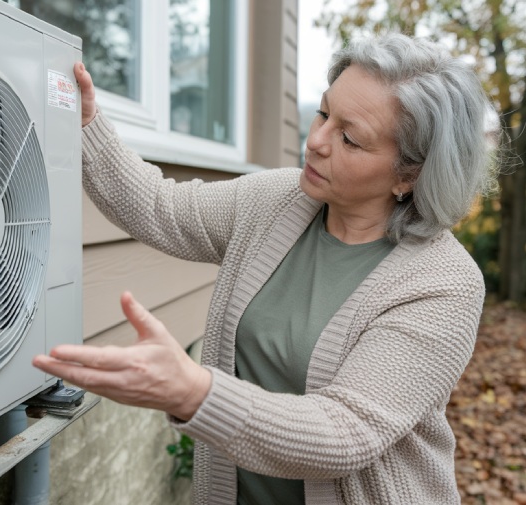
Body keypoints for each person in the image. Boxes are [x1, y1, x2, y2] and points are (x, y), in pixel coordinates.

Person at [33, 31, 500, 505]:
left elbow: (346, 432)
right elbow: (161, 208)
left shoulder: (443, 284)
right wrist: (88, 123)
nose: (316, 141)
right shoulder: (277, 201)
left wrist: (193, 392)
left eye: (350, 138)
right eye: (322, 113)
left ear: (410, 174)